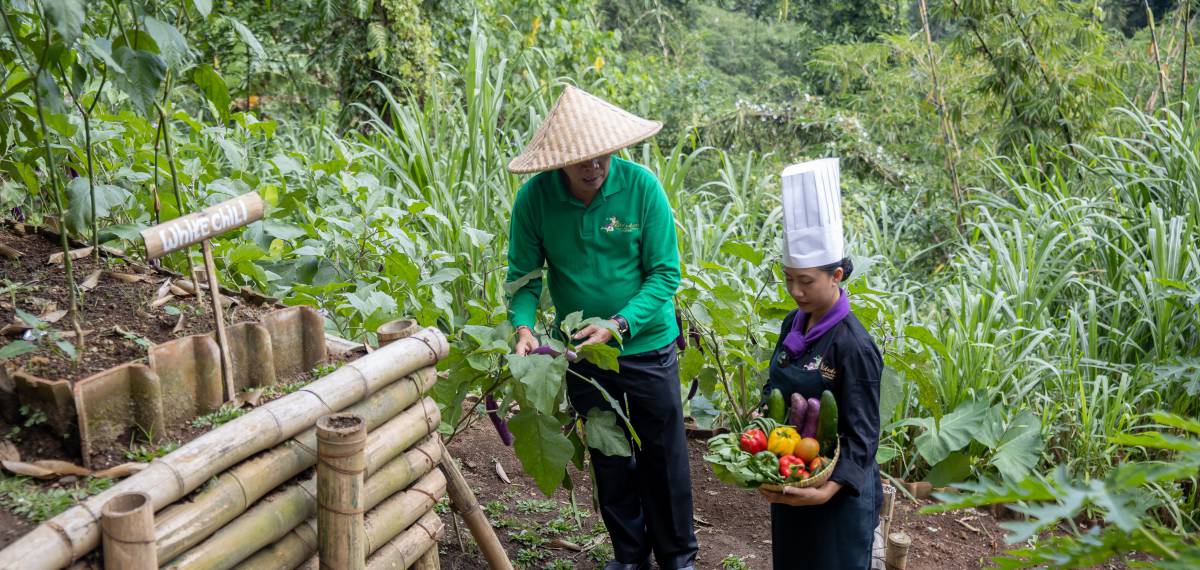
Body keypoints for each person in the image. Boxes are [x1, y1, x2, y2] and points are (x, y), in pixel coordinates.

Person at [504, 85, 698, 570]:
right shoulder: (535, 201)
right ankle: (629, 557)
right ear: (559, 162)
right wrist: (524, 329)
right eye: (581, 160)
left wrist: (618, 325)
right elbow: (525, 280)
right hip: (583, 355)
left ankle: (678, 558)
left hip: (647, 346)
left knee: (664, 457)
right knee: (608, 455)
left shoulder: (641, 187)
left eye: (603, 155)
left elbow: (665, 275)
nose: (595, 166)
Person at [758, 158, 883, 569]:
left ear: (838, 275)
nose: (795, 290)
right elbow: (772, 390)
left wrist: (827, 490)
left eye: (806, 281)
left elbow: (863, 433)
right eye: (788, 277)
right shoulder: (792, 323)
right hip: (793, 474)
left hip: (837, 495)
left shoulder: (854, 345)